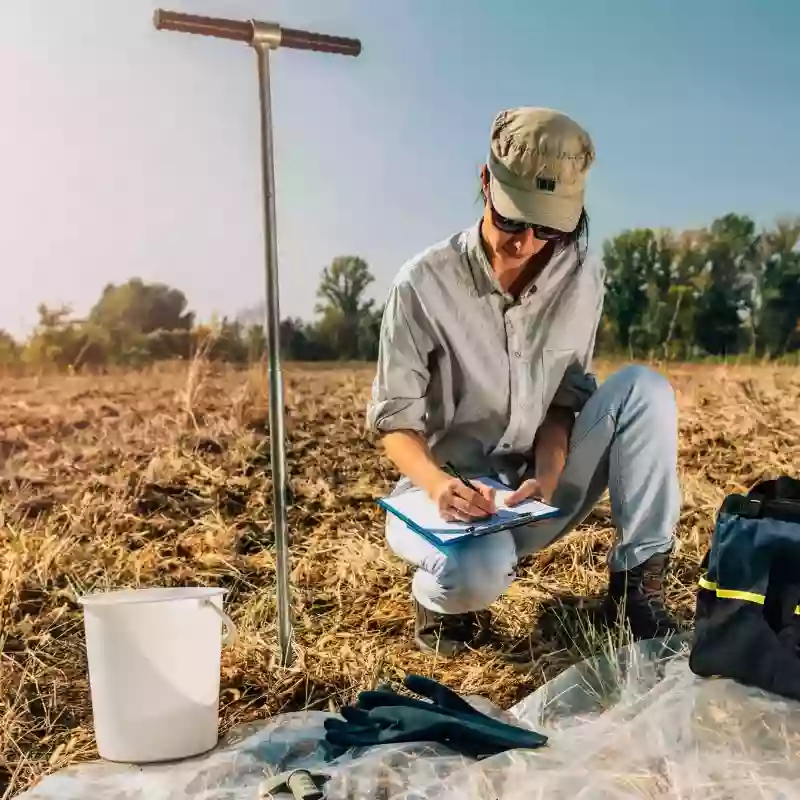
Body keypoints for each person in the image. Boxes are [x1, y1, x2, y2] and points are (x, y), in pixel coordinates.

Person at [365, 106, 682, 661]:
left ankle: (636, 591)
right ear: (485, 182)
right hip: (445, 496)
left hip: (532, 492)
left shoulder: (582, 278)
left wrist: (549, 475)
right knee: (476, 579)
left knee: (644, 390)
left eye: (549, 228)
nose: (526, 243)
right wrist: (441, 488)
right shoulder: (422, 284)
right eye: (511, 220)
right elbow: (396, 423)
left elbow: (565, 400)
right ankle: (438, 601)